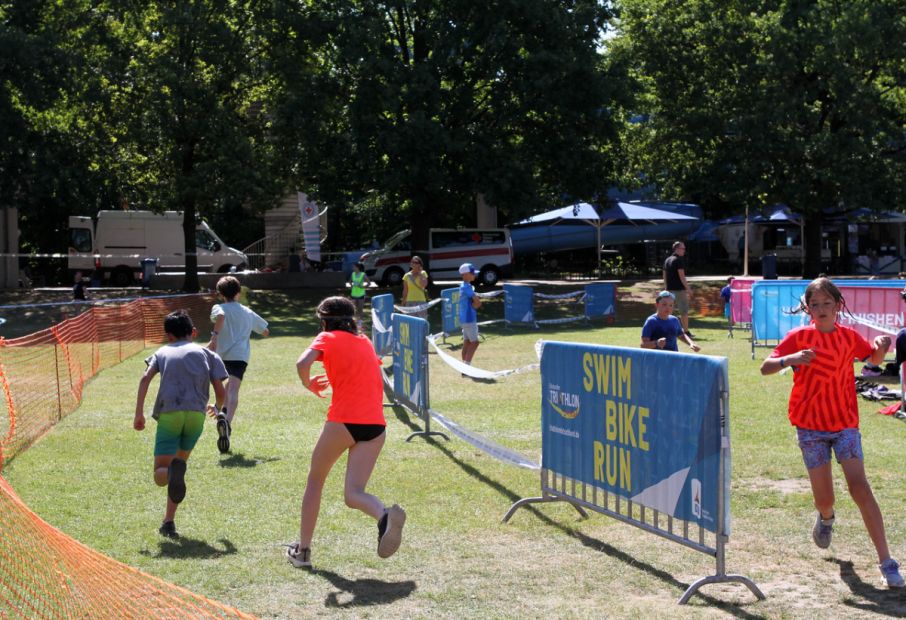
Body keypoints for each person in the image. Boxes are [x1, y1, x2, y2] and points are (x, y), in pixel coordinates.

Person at [759, 277, 904, 588]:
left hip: (845, 425)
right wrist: (791, 359)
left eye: (827, 303)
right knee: (825, 499)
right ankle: (826, 518)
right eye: (815, 304)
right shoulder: (799, 336)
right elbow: (766, 366)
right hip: (810, 427)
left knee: (860, 488)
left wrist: (882, 346)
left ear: (839, 306)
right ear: (808, 309)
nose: (822, 309)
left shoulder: (849, 337)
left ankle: (887, 562)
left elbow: (873, 360)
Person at [287, 296, 405, 569]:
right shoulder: (364, 340)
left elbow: (301, 363)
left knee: (315, 481)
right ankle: (384, 515)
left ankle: (303, 552)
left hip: (343, 420)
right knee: (353, 494)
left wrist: (309, 385)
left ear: (325, 320)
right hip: (376, 425)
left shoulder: (327, 338)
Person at [134, 310, 227, 539]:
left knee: (161, 473)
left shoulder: (162, 351)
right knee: (178, 468)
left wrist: (139, 414)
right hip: (196, 415)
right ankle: (168, 521)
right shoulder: (207, 353)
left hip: (170, 413)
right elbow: (220, 389)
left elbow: (145, 378)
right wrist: (217, 407)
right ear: (192, 332)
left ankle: (170, 478)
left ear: (169, 336)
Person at [208, 275, 269, 454]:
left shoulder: (218, 306)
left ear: (220, 294)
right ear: (238, 292)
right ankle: (227, 421)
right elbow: (265, 331)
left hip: (219, 355)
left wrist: (215, 337)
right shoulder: (246, 311)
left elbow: (219, 315)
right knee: (233, 389)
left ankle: (219, 409)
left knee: (222, 387)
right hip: (239, 356)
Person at [663, 241, 693, 338]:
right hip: (679, 290)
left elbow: (664, 275)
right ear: (677, 249)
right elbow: (682, 277)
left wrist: (666, 288)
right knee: (683, 311)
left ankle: (666, 331)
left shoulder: (667, 260)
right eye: (682, 249)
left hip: (669, 290)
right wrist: (688, 289)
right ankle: (686, 332)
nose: (684, 250)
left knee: (668, 311)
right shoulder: (679, 260)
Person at [458, 263, 482, 369]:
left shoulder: (463, 286)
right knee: (475, 343)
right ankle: (467, 367)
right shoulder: (467, 287)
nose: (474, 275)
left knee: (467, 342)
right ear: (465, 274)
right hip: (469, 319)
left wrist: (474, 304)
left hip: (464, 319)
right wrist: (476, 305)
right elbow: (477, 302)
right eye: (472, 273)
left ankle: (464, 367)